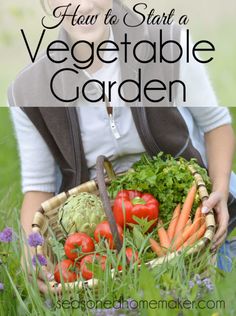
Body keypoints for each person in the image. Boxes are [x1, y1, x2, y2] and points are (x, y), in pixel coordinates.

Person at [9, 0, 236, 293]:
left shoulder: (168, 42)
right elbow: (38, 185)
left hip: (192, 203)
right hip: (104, 230)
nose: (82, 5)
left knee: (214, 290)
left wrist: (217, 190)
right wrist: (33, 252)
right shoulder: (29, 90)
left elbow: (216, 125)